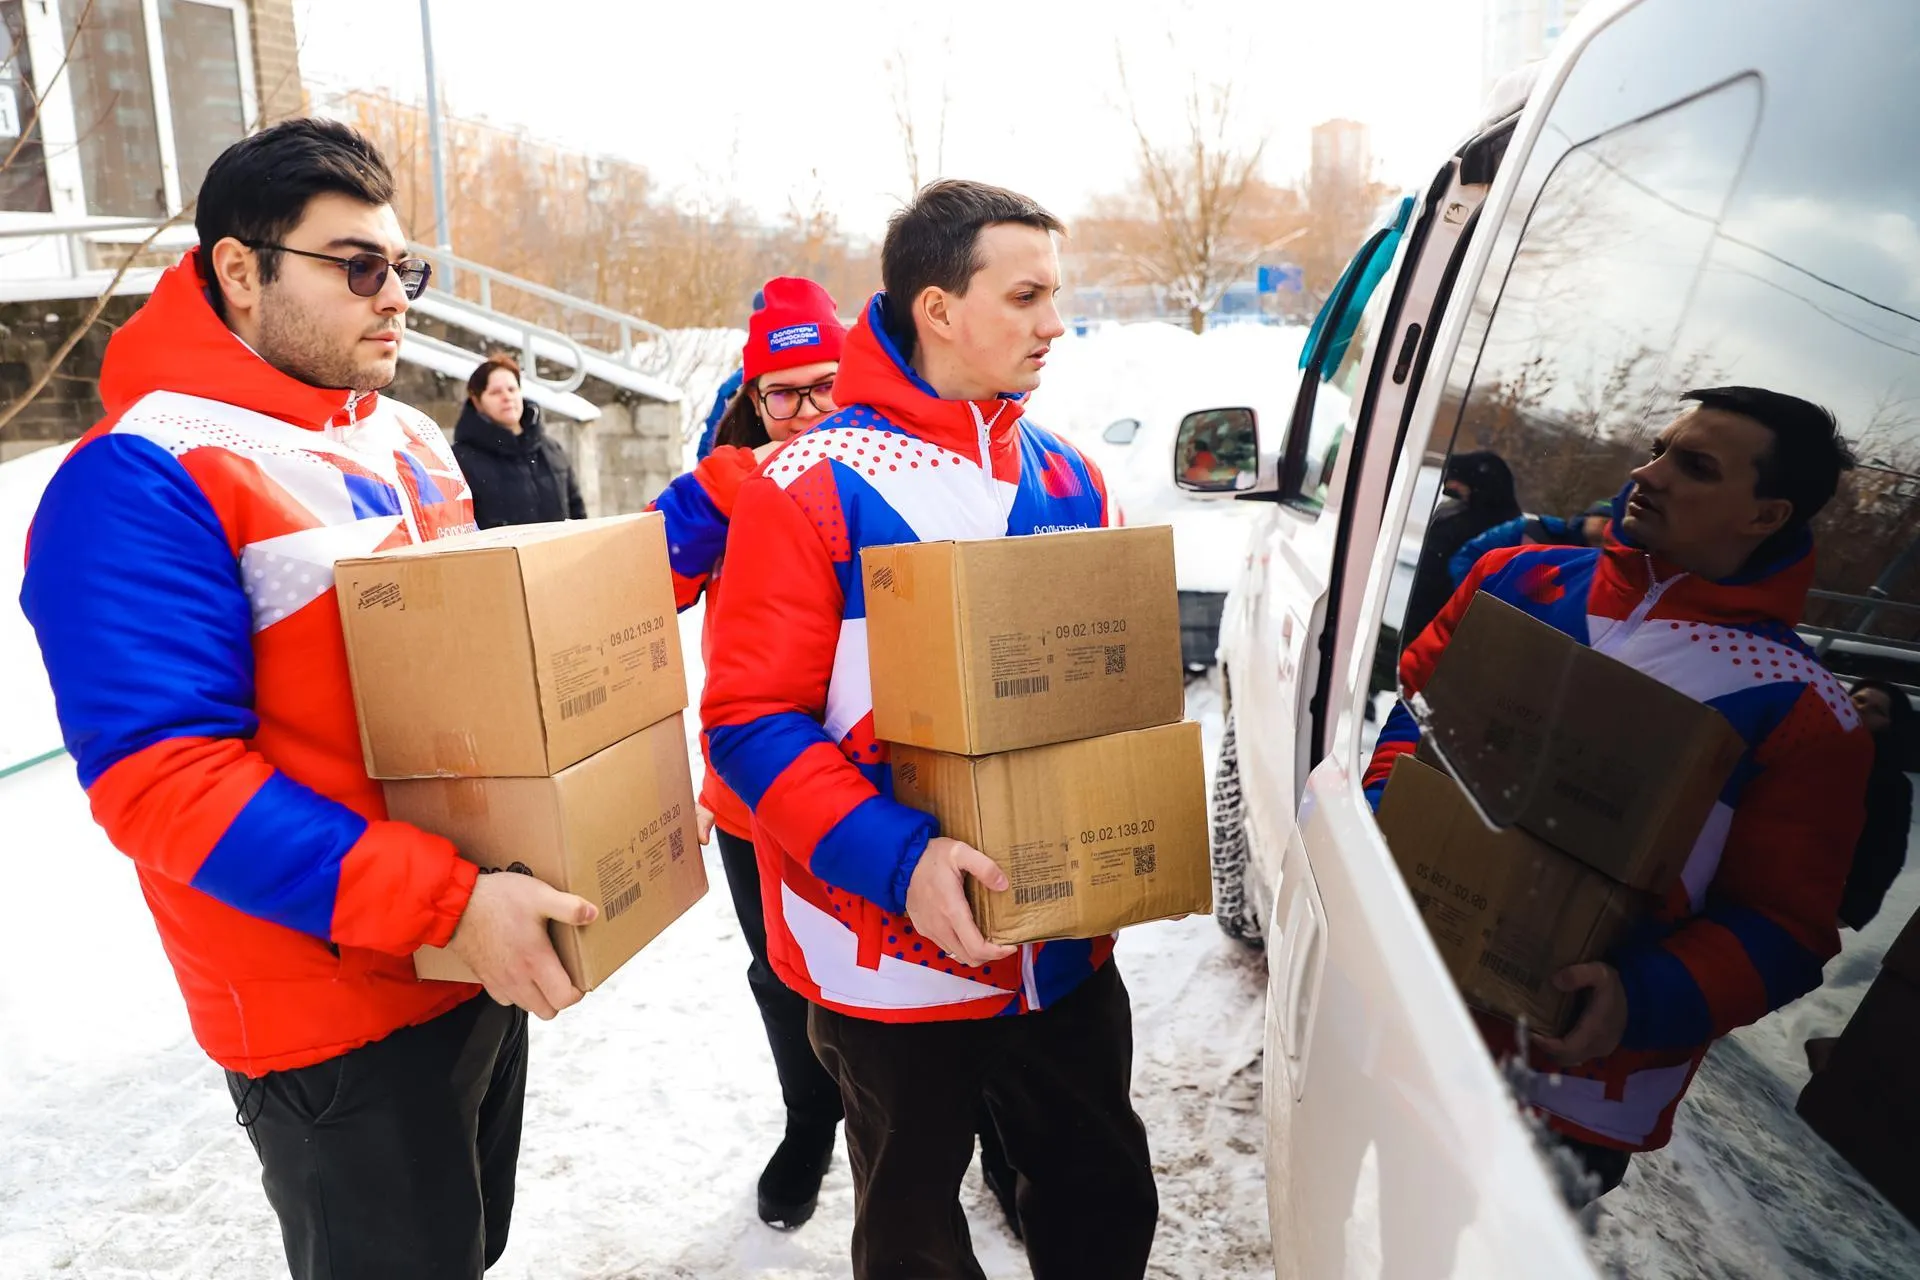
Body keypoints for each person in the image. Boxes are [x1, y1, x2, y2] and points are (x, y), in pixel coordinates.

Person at [18, 119, 597, 1280]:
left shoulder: (411, 437)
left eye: (403, 268)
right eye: (356, 266)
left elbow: (468, 685)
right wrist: (447, 902)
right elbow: (165, 786)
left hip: (467, 946)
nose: (395, 299)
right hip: (330, 1008)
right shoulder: (141, 474)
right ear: (240, 269)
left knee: (469, 1247)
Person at [701, 180, 1158, 1279]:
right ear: (938, 308)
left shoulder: (1069, 473)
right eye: (1028, 294)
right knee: (912, 1225)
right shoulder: (806, 484)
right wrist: (900, 860)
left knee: (1103, 1194)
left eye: (1059, 294)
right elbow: (747, 723)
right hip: (889, 947)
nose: (1057, 323)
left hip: (1059, 940)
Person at [1366, 386, 1873, 1202]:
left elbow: (1787, 929)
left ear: (1766, 516)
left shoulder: (1802, 708)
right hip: (1407, 1001)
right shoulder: (1517, 579)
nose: (1650, 472)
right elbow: (1415, 719)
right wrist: (1386, 817)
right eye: (1661, 447)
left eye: (1695, 467)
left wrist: (1642, 999)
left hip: (1564, 1096)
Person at [647, 276, 854, 1230]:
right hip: (754, 796)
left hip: (883, 785)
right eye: (786, 394)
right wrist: (728, 486)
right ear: (753, 398)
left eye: (827, 386)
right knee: (781, 973)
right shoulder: (723, 489)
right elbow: (642, 588)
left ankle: (972, 1137)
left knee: (931, 967)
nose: (809, 413)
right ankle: (809, 1125)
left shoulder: (888, 467)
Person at [452, 354, 589, 529]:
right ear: (477, 401)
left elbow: (578, 513)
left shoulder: (551, 449)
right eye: (495, 392)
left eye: (512, 389)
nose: (507, 397)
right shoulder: (460, 461)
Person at [1401, 449, 1520, 642]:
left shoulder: (1487, 532)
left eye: (1457, 483)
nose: (1450, 486)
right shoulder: (1499, 525)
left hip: (1435, 624)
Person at [1838, 678, 1914, 930]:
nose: (1861, 709)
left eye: (1877, 711)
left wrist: (1849, 911)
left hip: (1804, 896)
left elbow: (1884, 853)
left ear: (1890, 726)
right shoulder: (1799, 743)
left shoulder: (1890, 785)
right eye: (1859, 699)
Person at [1447, 498, 1612, 586]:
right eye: (1601, 517)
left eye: (1611, 521)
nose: (1605, 524)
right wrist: (1472, 599)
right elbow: (1468, 556)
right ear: (1587, 516)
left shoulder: (1599, 566)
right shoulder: (1534, 529)